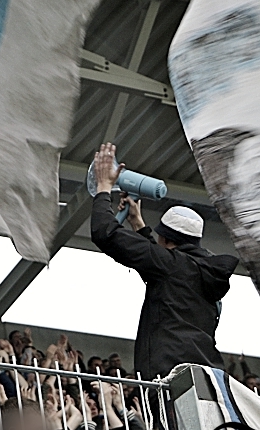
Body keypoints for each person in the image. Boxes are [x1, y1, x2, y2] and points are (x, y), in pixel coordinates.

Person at [90, 142, 239, 380]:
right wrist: (139, 226)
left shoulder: (170, 265)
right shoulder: (206, 271)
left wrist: (103, 188)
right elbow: (161, 268)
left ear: (165, 238)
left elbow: (104, 232)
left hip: (169, 375)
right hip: (207, 375)